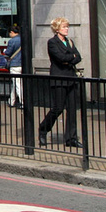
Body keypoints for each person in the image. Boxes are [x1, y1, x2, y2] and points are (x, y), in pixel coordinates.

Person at [39, 17, 83, 148]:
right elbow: (60, 58)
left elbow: (78, 57)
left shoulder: (69, 41)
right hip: (59, 78)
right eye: (64, 27)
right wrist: (71, 58)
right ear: (57, 29)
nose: (67, 29)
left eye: (67, 27)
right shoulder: (52, 42)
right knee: (58, 108)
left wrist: (69, 59)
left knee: (72, 108)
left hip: (71, 77)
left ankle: (71, 138)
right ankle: (43, 129)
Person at [4, 25, 23, 108]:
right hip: (22, 64)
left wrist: (5, 50)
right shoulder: (22, 39)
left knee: (17, 84)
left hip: (14, 64)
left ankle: (23, 102)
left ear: (12, 32)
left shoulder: (12, 41)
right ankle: (11, 101)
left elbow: (8, 52)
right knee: (16, 83)